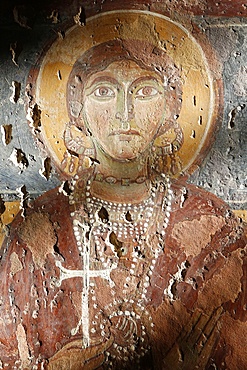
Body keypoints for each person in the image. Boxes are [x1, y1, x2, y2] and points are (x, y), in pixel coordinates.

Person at [0, 39, 246, 370]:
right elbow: (13, 353)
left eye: (144, 92)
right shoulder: (36, 232)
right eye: (104, 91)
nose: (124, 111)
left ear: (170, 111)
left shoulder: (214, 227)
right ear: (79, 112)